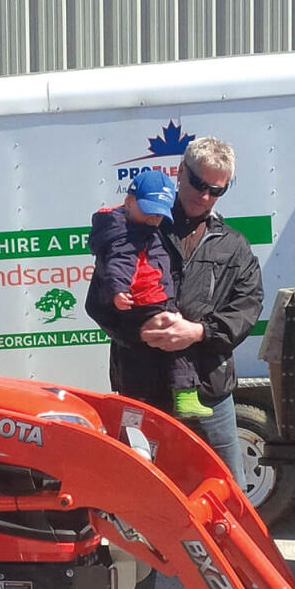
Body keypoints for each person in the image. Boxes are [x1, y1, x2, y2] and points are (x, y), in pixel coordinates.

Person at [86, 137, 263, 589]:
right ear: (180, 173)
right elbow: (99, 303)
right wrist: (135, 329)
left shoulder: (233, 245)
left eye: (217, 191)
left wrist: (200, 331)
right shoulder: (138, 227)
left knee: (227, 494)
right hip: (142, 390)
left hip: (207, 389)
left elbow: (248, 307)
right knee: (138, 500)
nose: (206, 197)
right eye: (200, 185)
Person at [87, 170, 209, 418]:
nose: (154, 218)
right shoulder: (123, 234)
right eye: (149, 210)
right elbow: (118, 265)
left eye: (159, 213)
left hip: (157, 300)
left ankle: (182, 395)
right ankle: (177, 396)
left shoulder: (149, 229)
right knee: (169, 342)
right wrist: (118, 291)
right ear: (129, 201)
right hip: (142, 303)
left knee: (175, 340)